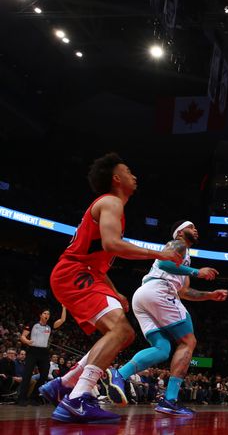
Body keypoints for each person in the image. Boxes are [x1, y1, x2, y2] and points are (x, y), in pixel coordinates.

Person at [42, 153, 182, 424]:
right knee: (120, 329)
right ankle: (77, 397)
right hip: (74, 273)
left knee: (123, 333)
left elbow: (99, 262)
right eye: (128, 171)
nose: (134, 176)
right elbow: (112, 245)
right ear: (116, 178)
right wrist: (160, 254)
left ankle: (65, 383)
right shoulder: (111, 202)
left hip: (84, 274)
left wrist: (115, 292)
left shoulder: (112, 206)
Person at [105, 220, 228, 417]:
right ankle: (170, 400)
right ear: (180, 232)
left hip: (143, 295)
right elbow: (163, 262)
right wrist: (197, 272)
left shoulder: (185, 257)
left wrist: (209, 295)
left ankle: (120, 375)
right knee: (188, 341)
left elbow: (185, 292)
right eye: (191, 227)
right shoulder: (178, 244)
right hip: (159, 291)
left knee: (162, 349)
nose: (195, 230)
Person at [17, 306, 66, 405]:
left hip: (44, 352)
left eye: (48, 314)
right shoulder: (33, 324)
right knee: (27, 375)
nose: (46, 315)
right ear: (40, 315)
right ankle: (21, 398)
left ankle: (33, 397)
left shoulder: (50, 326)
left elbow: (62, 320)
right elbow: (22, 336)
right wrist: (27, 341)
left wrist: (64, 308)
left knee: (44, 375)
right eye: (45, 313)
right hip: (32, 351)